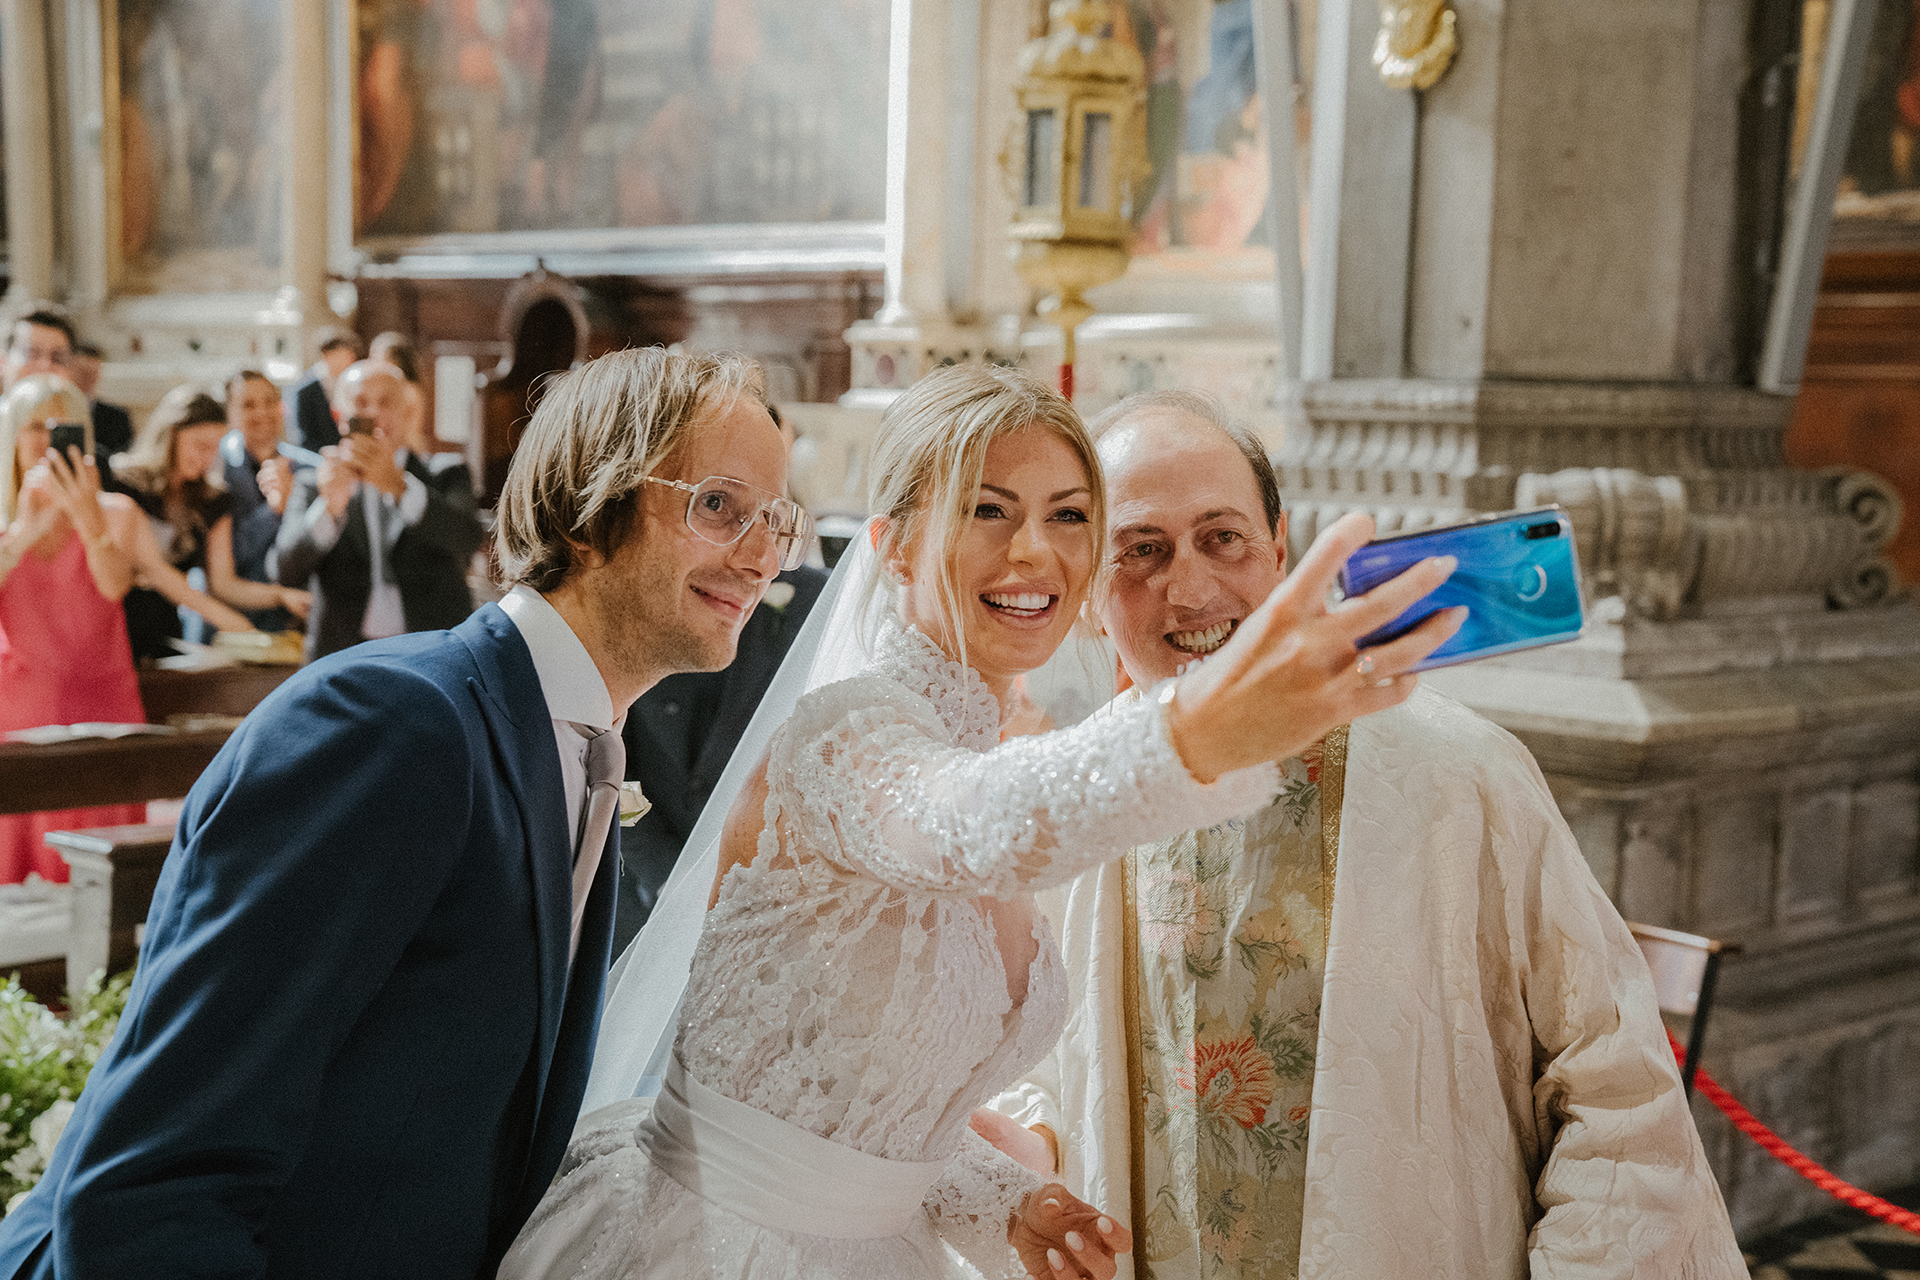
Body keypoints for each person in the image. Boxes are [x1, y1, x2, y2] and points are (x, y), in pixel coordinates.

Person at [500, 364, 1459, 1280]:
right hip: (708, 1248)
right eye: (988, 510)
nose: (1034, 552)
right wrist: (1206, 724)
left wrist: (1001, 1199)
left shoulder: (990, 751)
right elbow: (973, 824)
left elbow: (859, 1103)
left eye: (1069, 517)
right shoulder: (847, 737)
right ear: (896, 545)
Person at [0, 348, 806, 1278]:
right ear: (592, 505)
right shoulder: (393, 726)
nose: (760, 555)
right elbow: (157, 1174)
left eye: (775, 521)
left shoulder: (581, 748)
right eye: (719, 505)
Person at [985, 391, 1747, 1279]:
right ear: (1087, 592)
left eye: (1222, 538)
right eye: (1141, 552)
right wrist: (1034, 1141)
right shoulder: (1077, 795)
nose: (1188, 590)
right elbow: (1032, 1051)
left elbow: (1618, 1093)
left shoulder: (1458, 773)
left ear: (1280, 549)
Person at [615, 402, 831, 951]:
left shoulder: (810, 601)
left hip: (760, 905)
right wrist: (664, 874)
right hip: (638, 896)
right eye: (720, 500)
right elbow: (613, 774)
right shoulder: (645, 591)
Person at [0, 376, 147, 883]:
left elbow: (113, 587)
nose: (46, 439)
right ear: (12, 437)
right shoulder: (3, 522)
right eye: (34, 427)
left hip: (103, 705)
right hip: (22, 708)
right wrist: (24, 532)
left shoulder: (116, 511)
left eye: (62, 428)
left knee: (102, 871)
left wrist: (86, 519)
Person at [273, 358, 485, 661]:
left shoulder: (446, 473)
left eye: (385, 402)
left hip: (431, 652)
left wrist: (400, 488)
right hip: (343, 654)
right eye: (360, 402)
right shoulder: (314, 483)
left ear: (405, 411)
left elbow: (468, 539)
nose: (373, 413)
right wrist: (328, 509)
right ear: (339, 414)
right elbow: (284, 570)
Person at [111, 387, 291, 659]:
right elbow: (157, 571)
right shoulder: (121, 486)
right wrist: (236, 625)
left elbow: (223, 583)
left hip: (164, 632)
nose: (207, 459)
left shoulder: (213, 501)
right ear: (171, 435)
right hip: (113, 622)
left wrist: (281, 596)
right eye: (200, 445)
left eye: (214, 450)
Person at [222, 368, 322, 632]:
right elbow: (233, 554)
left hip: (298, 619)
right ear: (230, 414)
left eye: (269, 402)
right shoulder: (217, 469)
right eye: (248, 405)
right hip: (234, 617)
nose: (262, 413)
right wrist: (275, 510)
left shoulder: (311, 469)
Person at [285, 326, 364, 452]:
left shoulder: (356, 388)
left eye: (349, 357)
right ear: (325, 356)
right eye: (340, 357)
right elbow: (302, 439)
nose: (346, 363)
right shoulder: (306, 392)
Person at [66, 342, 135, 462]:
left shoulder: (118, 417)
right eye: (81, 372)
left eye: (92, 373)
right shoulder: (56, 410)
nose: (86, 378)